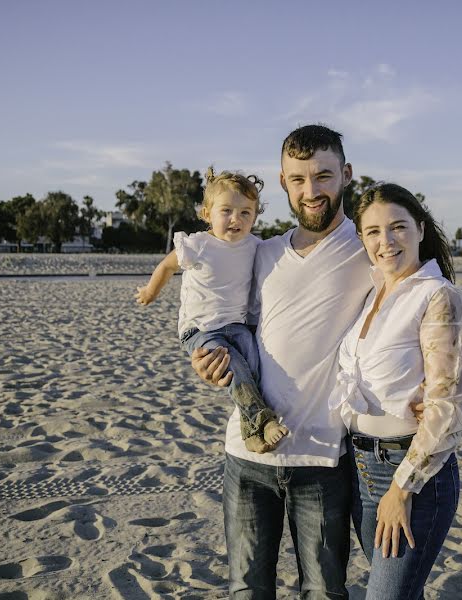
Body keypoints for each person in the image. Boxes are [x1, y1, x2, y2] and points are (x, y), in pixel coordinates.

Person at [191, 125, 373, 598]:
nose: (310, 191)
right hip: (245, 457)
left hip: (322, 457)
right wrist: (206, 361)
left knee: (324, 592)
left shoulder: (369, 250)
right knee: (247, 590)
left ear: (346, 175)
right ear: (283, 182)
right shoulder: (263, 252)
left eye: (323, 176)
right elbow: (231, 326)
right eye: (297, 179)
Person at [329, 183, 462, 599]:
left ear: (420, 227)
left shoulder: (439, 298)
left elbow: (448, 408)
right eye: (373, 231)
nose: (386, 241)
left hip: (412, 477)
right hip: (361, 469)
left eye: (397, 227)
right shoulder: (372, 292)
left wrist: (402, 489)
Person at [136, 167, 288, 453]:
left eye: (246, 213)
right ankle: (263, 421)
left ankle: (251, 434)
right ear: (207, 214)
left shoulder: (255, 246)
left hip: (237, 325)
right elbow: (167, 266)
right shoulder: (198, 245)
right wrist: (150, 292)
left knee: (253, 366)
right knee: (235, 367)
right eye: (227, 210)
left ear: (255, 216)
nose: (236, 219)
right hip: (201, 329)